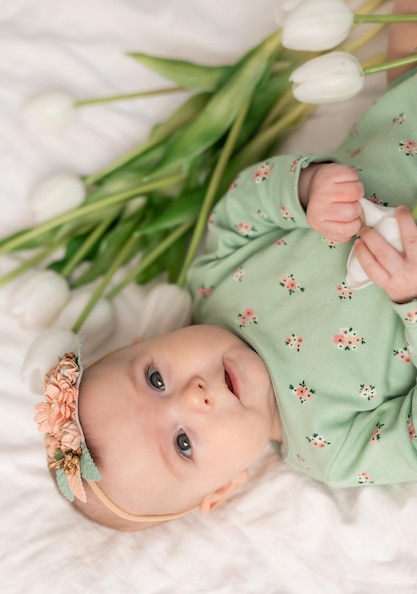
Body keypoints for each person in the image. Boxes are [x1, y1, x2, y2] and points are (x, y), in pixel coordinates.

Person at [35, 1, 417, 531]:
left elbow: (244, 206)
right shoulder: (335, 446)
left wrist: (304, 191)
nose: (195, 396)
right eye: (184, 443)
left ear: (142, 343)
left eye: (154, 378)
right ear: (225, 487)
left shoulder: (214, 284)